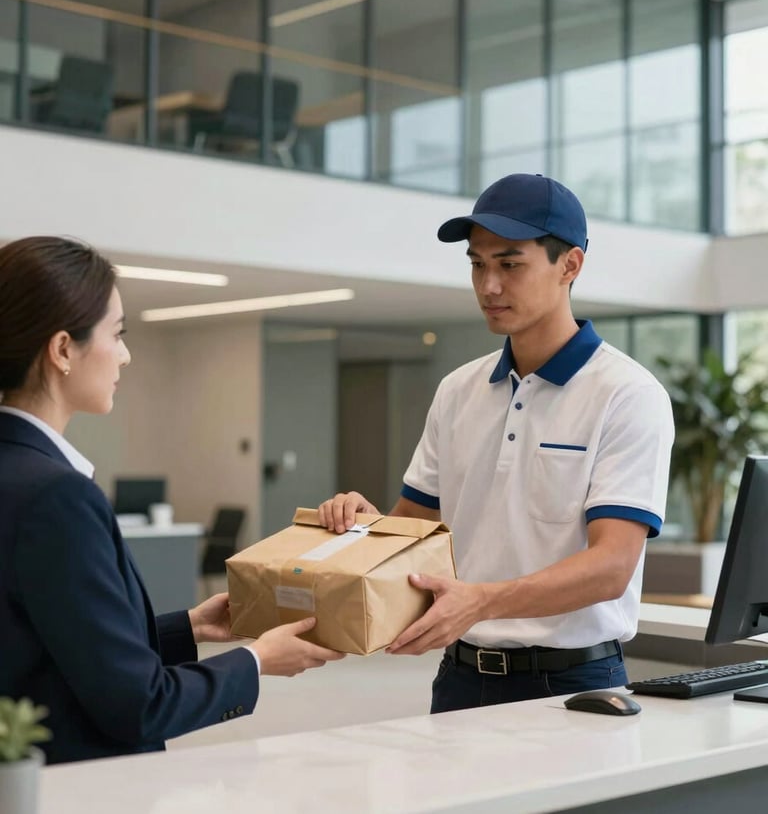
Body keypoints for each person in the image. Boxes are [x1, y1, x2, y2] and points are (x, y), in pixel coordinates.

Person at [319, 173, 674, 713]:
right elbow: (414, 532)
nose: (489, 286)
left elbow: (611, 567)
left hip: (576, 684)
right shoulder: (458, 390)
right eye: (477, 264)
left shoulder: (627, 394)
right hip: (459, 677)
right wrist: (366, 528)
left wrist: (480, 601)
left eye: (510, 264)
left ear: (569, 265)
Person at [0, 236, 344, 765]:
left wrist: (190, 628)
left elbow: (48, 649)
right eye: (117, 334)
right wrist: (255, 660)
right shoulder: (57, 497)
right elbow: (138, 707)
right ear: (63, 349)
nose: (126, 354)